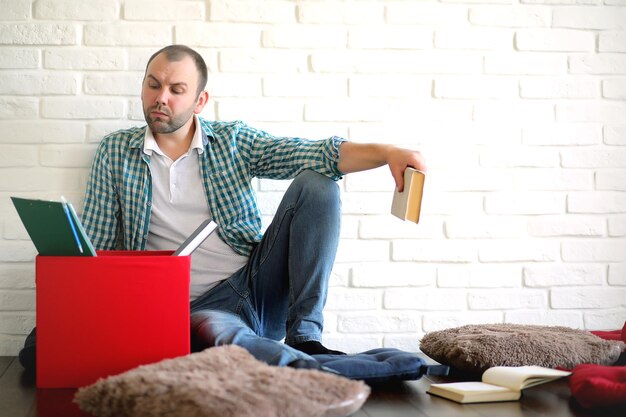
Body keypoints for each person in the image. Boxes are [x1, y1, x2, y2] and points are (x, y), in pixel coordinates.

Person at [19, 44, 426, 372]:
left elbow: (315, 154)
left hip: (248, 290)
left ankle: (306, 339)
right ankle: (315, 368)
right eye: (153, 84)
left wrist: (388, 151)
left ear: (199, 101)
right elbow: (99, 248)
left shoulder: (232, 142)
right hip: (166, 305)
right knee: (38, 347)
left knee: (316, 184)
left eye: (176, 90)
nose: (161, 98)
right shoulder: (115, 152)